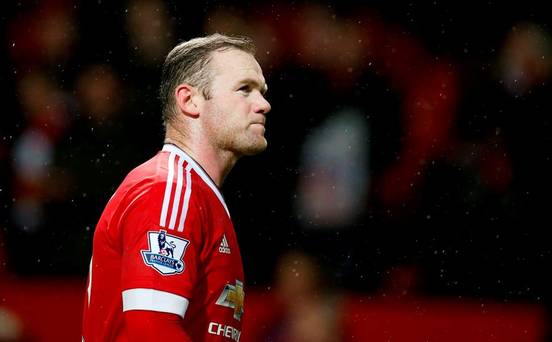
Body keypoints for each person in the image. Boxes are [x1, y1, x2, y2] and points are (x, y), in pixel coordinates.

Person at [81, 33, 271, 341]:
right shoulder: (168, 189)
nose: (264, 104)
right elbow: (151, 331)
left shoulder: (193, 193)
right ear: (189, 100)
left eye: (261, 91)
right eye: (244, 89)